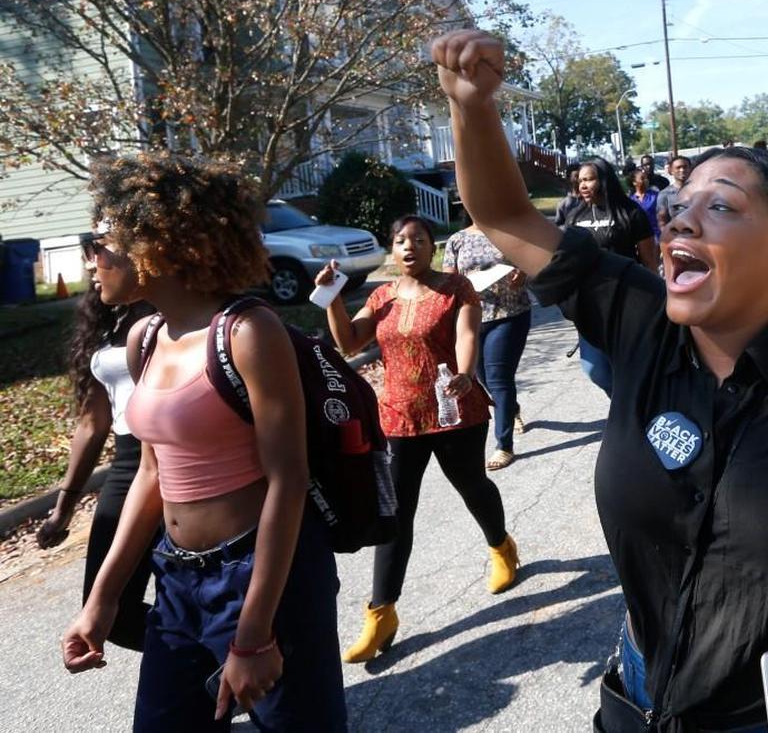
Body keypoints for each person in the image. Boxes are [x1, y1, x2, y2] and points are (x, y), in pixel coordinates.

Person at [433, 28, 768, 733]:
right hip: (644, 697)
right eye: (683, 202)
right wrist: (470, 104)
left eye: (723, 205)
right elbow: (504, 215)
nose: (683, 215)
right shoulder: (640, 322)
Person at [60, 153, 346, 730]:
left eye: (100, 241)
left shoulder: (247, 332)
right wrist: (103, 599)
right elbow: (151, 474)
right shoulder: (145, 338)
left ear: (155, 244)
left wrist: (254, 631)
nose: (91, 259)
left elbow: (287, 481)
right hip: (177, 580)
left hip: (265, 578)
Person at [317, 215, 518, 664]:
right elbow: (349, 342)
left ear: (434, 247)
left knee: (473, 487)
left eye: (419, 240)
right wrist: (330, 298)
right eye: (400, 241)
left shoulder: (456, 288)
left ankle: (501, 546)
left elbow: (468, 336)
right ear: (393, 250)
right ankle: (381, 612)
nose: (409, 247)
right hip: (400, 420)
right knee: (395, 514)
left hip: (455, 414)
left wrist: (466, 375)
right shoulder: (382, 295)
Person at [38, 284, 156, 652]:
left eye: (101, 246)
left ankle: (225, 674)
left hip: (181, 459)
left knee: (195, 587)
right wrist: (64, 508)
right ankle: (214, 663)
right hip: (127, 465)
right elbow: (92, 423)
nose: (92, 262)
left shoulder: (178, 307)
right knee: (112, 614)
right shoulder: (109, 319)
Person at [558, 157, 656, 396]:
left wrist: (656, 301)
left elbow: (649, 262)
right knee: (595, 369)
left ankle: (633, 410)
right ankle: (629, 403)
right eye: (580, 180)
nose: (582, 185)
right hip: (588, 305)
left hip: (627, 301)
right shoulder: (574, 215)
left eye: (589, 179)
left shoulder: (630, 213)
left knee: (629, 365)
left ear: (603, 180)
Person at [443, 217, 532, 469]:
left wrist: (522, 273)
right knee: (481, 378)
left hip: (510, 314)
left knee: (498, 378)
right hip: (471, 318)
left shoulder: (509, 231)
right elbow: (449, 281)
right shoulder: (456, 240)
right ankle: (511, 408)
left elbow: (531, 261)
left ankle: (504, 446)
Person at [655, 155, 692, 232]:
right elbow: (662, 221)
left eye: (685, 167)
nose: (682, 170)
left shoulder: (700, 190)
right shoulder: (665, 194)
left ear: (690, 169)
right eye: (678, 167)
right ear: (671, 171)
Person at [629, 169, 661, 240]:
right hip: (639, 237)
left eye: (646, 178)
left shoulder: (656, 196)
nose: (646, 180)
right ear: (634, 182)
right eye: (642, 178)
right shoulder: (630, 200)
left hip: (656, 235)